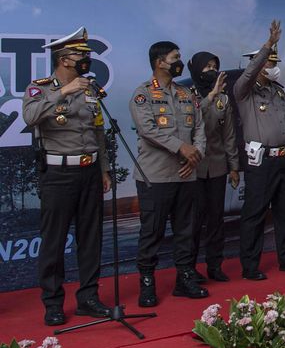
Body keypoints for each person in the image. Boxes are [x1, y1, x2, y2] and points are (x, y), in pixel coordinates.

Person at [22, 28, 112, 326]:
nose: (86, 59)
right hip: (58, 173)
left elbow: (98, 131)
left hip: (89, 171)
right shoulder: (41, 87)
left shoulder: (90, 89)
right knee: (55, 240)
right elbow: (30, 117)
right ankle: (53, 302)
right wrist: (63, 91)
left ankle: (88, 298)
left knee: (91, 238)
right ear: (64, 59)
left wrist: (104, 169)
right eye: (80, 55)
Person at [129, 40, 208, 306]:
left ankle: (185, 278)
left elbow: (200, 128)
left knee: (186, 231)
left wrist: (196, 154)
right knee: (152, 232)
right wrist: (182, 148)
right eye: (175, 57)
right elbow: (148, 130)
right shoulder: (143, 95)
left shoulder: (187, 94)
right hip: (156, 177)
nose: (179, 61)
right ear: (160, 62)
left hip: (187, 174)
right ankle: (147, 283)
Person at [234, 20, 285, 280]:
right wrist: (267, 45)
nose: (275, 68)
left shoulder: (279, 92)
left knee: (284, 212)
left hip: (284, 159)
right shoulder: (244, 92)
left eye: (275, 63)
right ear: (259, 66)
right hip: (261, 162)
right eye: (270, 63)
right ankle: (250, 266)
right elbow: (248, 75)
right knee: (254, 213)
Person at [186, 51, 239, 283]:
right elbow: (192, 123)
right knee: (193, 221)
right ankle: (188, 268)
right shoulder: (187, 95)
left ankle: (215, 265)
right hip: (193, 168)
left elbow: (229, 136)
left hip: (217, 166)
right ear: (196, 69)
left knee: (216, 220)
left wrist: (234, 166)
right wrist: (210, 96)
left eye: (214, 66)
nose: (211, 70)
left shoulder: (223, 99)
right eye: (206, 67)